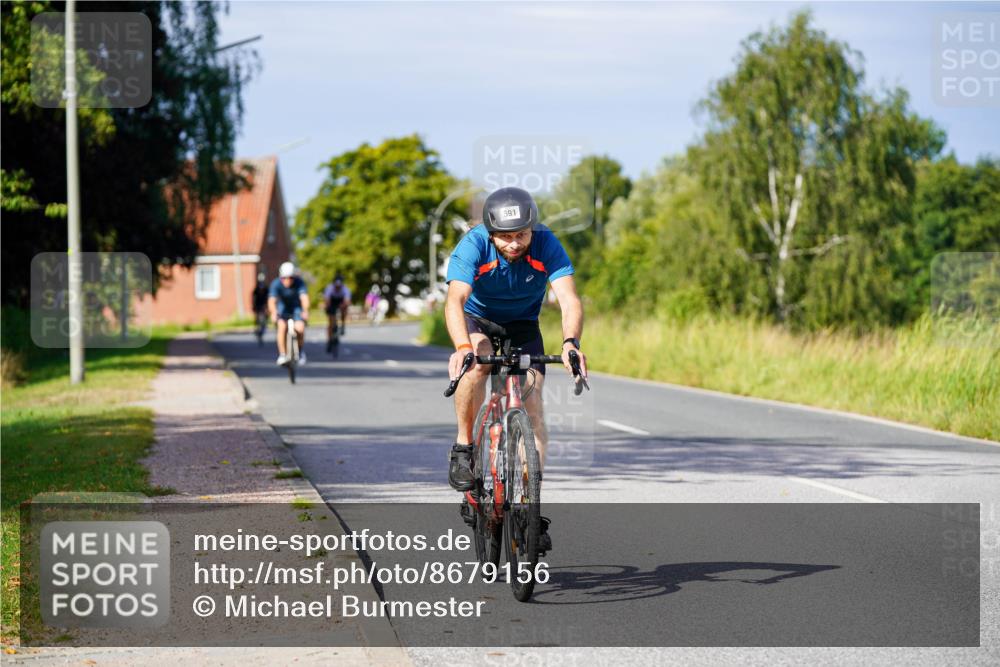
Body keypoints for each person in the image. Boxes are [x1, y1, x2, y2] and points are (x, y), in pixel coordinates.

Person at [443, 186, 589, 553]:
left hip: (524, 325)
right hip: (479, 321)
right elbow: (455, 300)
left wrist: (570, 342)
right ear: (490, 233)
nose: (513, 244)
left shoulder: (545, 243)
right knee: (476, 367)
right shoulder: (473, 245)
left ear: (531, 229)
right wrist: (462, 348)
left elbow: (569, 299)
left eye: (520, 235)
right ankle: (464, 446)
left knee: (533, 404)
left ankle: (527, 502)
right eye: (505, 238)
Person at [268, 261, 309, 366]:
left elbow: (304, 298)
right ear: (281, 277)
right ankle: (282, 354)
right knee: (281, 326)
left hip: (296, 308)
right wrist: (273, 312)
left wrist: (305, 310)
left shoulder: (299, 283)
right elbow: (272, 301)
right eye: (284, 278)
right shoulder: (276, 284)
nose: (287, 281)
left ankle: (299, 352)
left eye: (290, 278)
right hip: (282, 308)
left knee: (300, 328)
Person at [323, 274, 352, 351]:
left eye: (339, 286)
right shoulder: (330, 288)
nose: (338, 288)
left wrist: (343, 306)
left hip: (341, 302)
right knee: (331, 322)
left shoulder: (345, 289)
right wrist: (328, 307)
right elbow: (327, 300)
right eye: (336, 286)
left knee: (344, 309)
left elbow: (347, 301)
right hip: (332, 302)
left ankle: (343, 324)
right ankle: (329, 340)